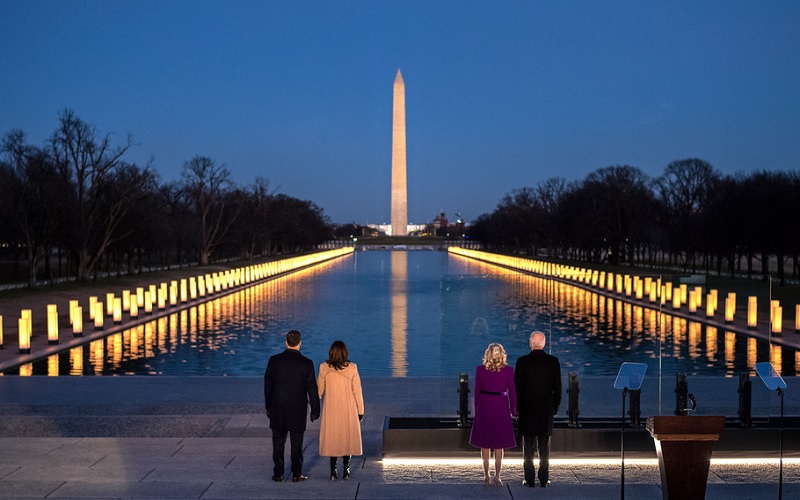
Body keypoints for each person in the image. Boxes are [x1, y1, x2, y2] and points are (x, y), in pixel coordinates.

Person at [264, 330, 321, 482]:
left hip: (277, 407)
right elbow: (312, 388)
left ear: (286, 343)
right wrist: (315, 410)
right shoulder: (307, 363)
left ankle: (278, 473)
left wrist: (268, 406)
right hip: (297, 409)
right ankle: (297, 474)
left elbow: (268, 385)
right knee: (297, 443)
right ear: (300, 343)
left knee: (278, 443)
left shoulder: (274, 360)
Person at [515, 331, 561, 488]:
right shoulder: (553, 362)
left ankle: (529, 479)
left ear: (530, 343)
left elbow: (517, 388)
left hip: (527, 411)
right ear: (544, 344)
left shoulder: (522, 362)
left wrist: (517, 408)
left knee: (527, 447)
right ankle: (544, 479)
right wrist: (554, 407)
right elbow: (558, 388)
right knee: (544, 448)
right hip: (545, 411)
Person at [468, 343, 517, 486]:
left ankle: (486, 476)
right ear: (502, 354)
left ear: (487, 354)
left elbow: (477, 391)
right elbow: (512, 392)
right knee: (499, 444)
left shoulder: (480, 370)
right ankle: (498, 476)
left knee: (484, 443)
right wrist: (514, 409)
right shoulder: (508, 370)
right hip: (501, 406)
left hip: (485, 406)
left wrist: (477, 409)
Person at [317, 340, 365, 481]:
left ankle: (333, 471)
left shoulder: (324, 368)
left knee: (333, 439)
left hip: (331, 410)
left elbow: (319, 390)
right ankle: (347, 470)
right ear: (345, 352)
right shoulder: (352, 368)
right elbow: (358, 392)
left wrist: (313, 407)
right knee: (346, 439)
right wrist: (360, 411)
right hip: (348, 409)